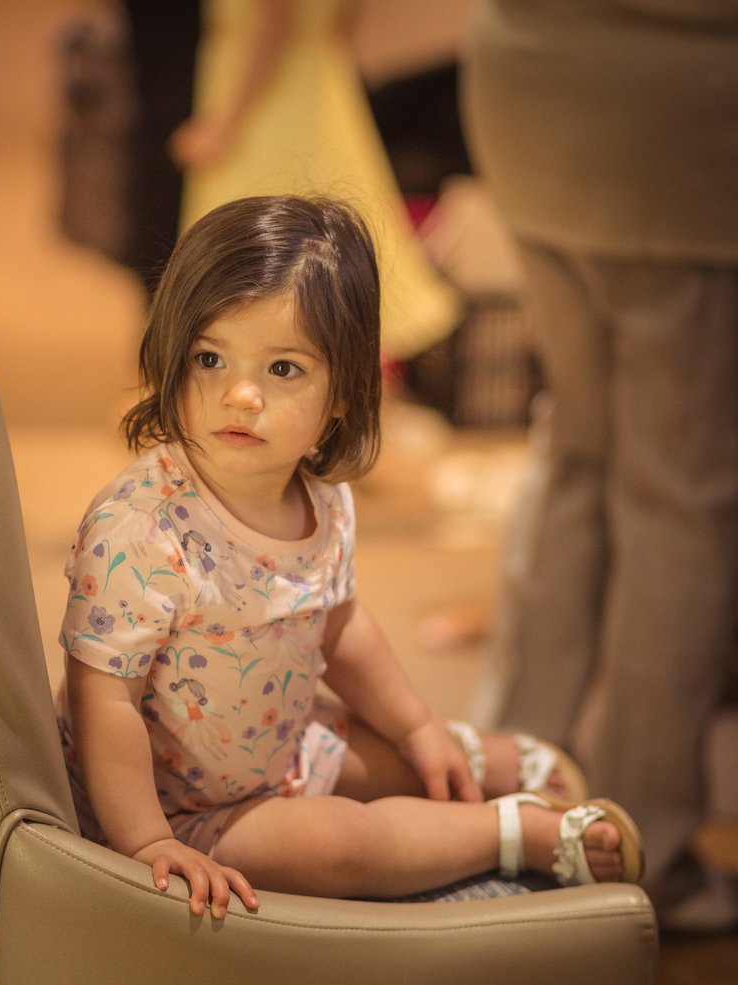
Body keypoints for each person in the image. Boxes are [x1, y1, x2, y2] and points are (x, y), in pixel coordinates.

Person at [56, 195, 643, 917]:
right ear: (171, 355)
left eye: (284, 370)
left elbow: (340, 625)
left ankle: (473, 763)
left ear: (342, 394)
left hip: (288, 744)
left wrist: (417, 728)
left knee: (414, 758)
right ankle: (509, 833)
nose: (241, 395)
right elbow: (101, 697)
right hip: (180, 812)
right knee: (337, 843)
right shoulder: (138, 529)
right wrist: (145, 841)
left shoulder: (324, 499)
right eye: (211, 358)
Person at [463, 0, 738, 930]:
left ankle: (511, 805)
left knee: (579, 452)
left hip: (531, 86)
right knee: (679, 495)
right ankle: (643, 847)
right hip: (673, 121)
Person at [168, 0, 458, 363]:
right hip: (322, 84)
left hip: (267, 99)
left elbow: (272, 23)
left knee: (244, 245)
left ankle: (231, 372)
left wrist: (224, 124)